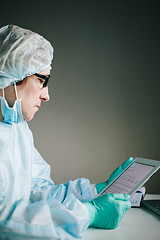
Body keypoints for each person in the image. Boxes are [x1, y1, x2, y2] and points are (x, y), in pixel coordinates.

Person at [0, 25, 132, 240]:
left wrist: (97, 191)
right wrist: (88, 214)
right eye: (42, 81)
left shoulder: (16, 129)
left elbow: (35, 192)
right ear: (11, 76)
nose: (47, 96)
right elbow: (4, 222)